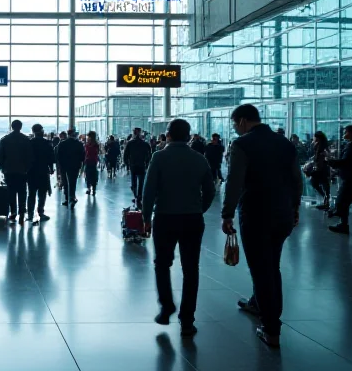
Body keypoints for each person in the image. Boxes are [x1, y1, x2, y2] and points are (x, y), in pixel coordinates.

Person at [222, 104, 302, 348]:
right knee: (272, 265)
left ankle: (271, 329)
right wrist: (295, 208)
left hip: (256, 214)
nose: (235, 129)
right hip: (283, 214)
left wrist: (227, 214)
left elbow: (235, 182)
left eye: (235, 124)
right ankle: (258, 303)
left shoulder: (243, 144)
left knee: (261, 269)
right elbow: (296, 179)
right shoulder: (284, 143)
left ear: (243, 121)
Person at [142, 118, 215, 336]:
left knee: (162, 264)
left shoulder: (159, 156)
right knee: (191, 269)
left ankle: (166, 306)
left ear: (169, 135)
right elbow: (210, 191)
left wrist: (146, 218)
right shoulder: (200, 159)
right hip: (192, 218)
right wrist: (199, 209)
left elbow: (149, 191)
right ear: (188, 135)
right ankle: (187, 319)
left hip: (165, 217)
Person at [0, 120, 33, 223]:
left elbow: (0, 157)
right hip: (22, 171)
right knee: (22, 191)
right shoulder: (26, 140)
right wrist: (27, 168)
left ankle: (13, 212)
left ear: (12, 127)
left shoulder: (4, 140)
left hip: (9, 170)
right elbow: (30, 157)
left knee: (11, 191)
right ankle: (22, 212)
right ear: (21, 127)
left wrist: (2, 168)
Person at [27, 124, 54, 225]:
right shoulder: (47, 143)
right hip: (43, 171)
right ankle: (41, 212)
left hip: (31, 171)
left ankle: (30, 214)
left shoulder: (29, 143)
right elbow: (50, 157)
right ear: (41, 131)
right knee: (42, 193)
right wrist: (51, 169)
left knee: (31, 193)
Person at [56, 129, 85, 209]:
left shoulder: (62, 144)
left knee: (65, 182)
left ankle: (67, 198)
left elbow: (58, 156)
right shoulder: (79, 144)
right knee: (73, 182)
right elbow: (82, 156)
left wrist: (60, 166)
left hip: (64, 166)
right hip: (75, 166)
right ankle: (72, 197)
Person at [124, 127, 152, 203]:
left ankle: (136, 195)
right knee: (141, 182)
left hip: (133, 165)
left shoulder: (130, 143)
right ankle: (139, 196)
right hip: (141, 165)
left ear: (133, 133)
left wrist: (127, 164)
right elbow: (149, 155)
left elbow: (125, 155)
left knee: (134, 182)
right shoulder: (145, 144)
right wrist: (147, 163)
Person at [306, 131, 331, 210]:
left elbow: (325, 156)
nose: (313, 138)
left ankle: (326, 201)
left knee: (321, 184)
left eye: (315, 136)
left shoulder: (322, 146)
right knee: (320, 184)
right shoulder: (318, 145)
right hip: (321, 168)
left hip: (321, 168)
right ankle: (326, 200)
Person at [84, 131, 100, 196]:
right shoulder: (96, 145)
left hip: (89, 161)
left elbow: (86, 153)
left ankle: (90, 188)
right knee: (92, 175)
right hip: (93, 161)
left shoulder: (89, 144)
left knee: (89, 176)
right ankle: (92, 189)